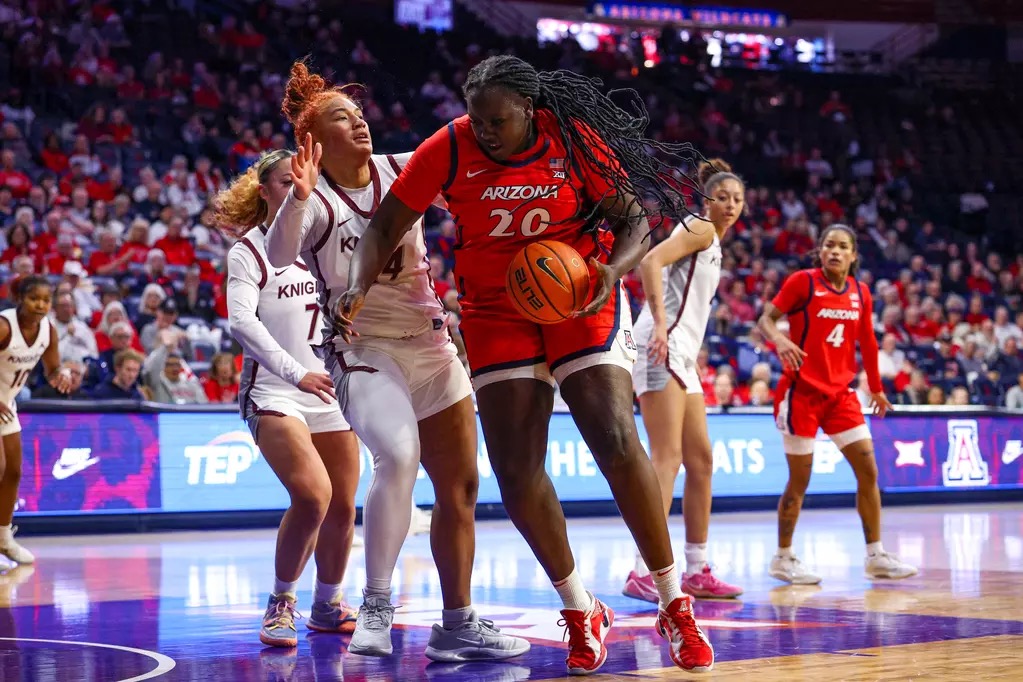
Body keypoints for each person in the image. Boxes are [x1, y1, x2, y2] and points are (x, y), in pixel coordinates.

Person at [340, 55, 714, 674]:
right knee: (515, 471)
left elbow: (633, 221)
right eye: (477, 119)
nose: (485, 131)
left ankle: (674, 602)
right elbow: (383, 227)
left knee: (614, 434)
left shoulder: (572, 137)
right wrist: (358, 283)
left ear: (530, 109)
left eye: (499, 121)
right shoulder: (450, 146)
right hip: (496, 308)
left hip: (581, 290)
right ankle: (579, 607)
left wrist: (612, 272)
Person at [264, 61, 529, 662]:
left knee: (460, 486)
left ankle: (457, 623)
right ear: (313, 141)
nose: (359, 123)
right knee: (400, 454)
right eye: (342, 118)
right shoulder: (314, 200)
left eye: (359, 114)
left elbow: (467, 154)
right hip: (363, 350)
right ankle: (376, 604)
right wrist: (296, 198)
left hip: (431, 346)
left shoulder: (402, 168)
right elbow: (280, 255)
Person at [214, 149, 363, 648]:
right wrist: (296, 373)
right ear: (264, 192)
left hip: (330, 388)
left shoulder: (327, 241)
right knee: (314, 495)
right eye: (287, 181)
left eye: (308, 181)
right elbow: (241, 322)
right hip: (275, 389)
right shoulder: (248, 251)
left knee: (343, 506)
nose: (301, 189)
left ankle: (328, 604)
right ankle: (281, 601)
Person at [757, 224, 917, 584]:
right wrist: (780, 340)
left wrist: (876, 388)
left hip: (840, 396)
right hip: (801, 394)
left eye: (843, 246)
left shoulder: (861, 292)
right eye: (829, 245)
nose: (835, 251)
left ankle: (875, 555)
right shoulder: (803, 282)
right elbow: (766, 319)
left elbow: (868, 342)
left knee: (868, 471)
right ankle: (783, 557)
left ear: (853, 255)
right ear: (820, 250)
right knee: (800, 480)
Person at [625, 159, 744, 603]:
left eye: (737, 199)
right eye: (723, 197)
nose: (730, 205)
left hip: (682, 354)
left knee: (701, 460)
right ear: (707, 199)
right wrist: (659, 324)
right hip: (662, 345)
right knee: (667, 457)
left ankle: (696, 569)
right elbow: (650, 261)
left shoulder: (713, 241)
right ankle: (643, 570)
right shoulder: (701, 227)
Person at [0, 275, 72, 568]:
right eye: (34, 299)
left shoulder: (48, 330)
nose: (40, 305)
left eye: (46, 300)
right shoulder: (4, 326)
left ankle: (4, 539)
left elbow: (52, 368)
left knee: (13, 471)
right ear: (20, 299)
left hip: (6, 404)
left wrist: (62, 376)